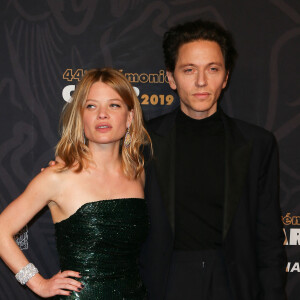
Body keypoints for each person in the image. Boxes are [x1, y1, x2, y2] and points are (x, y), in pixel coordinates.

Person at [139, 19, 286, 299]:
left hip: (234, 282)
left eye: (213, 69)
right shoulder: (143, 141)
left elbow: (268, 238)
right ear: (170, 77)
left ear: (226, 76)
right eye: (189, 70)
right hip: (167, 281)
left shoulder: (257, 144)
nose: (201, 81)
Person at [0, 68, 151, 299]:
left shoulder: (137, 173)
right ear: (80, 117)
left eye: (114, 105)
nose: (102, 114)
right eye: (91, 106)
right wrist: (38, 284)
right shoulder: (56, 177)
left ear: (129, 117)